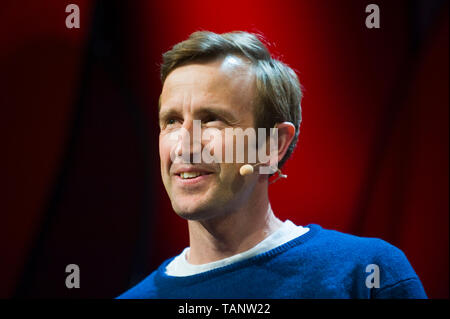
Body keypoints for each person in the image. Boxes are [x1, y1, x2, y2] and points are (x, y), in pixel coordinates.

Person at [117, 31, 427, 299]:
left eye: (211, 119)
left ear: (272, 145)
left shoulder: (367, 274)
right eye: (171, 121)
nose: (184, 146)